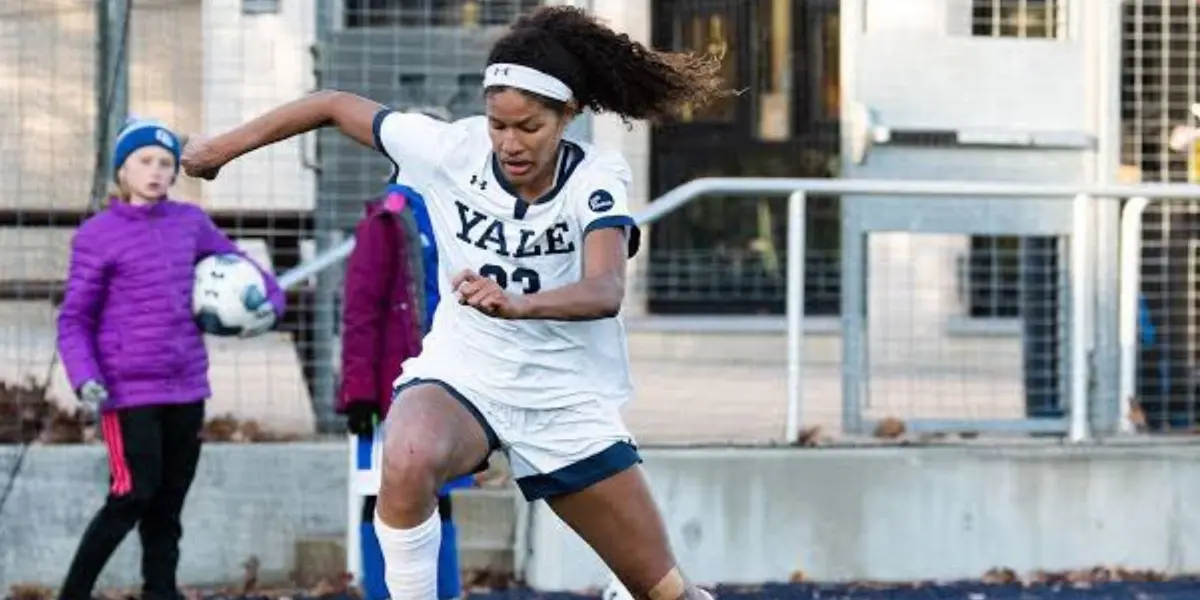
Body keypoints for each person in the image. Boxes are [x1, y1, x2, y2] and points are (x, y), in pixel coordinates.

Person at [181, 6, 724, 599]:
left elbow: (605, 290)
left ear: (567, 115)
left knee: (665, 592)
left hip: (564, 398)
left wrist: (520, 304)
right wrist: (222, 148)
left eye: (529, 127)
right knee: (408, 451)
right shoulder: (448, 150)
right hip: (465, 373)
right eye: (498, 124)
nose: (509, 143)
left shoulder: (597, 177)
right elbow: (332, 103)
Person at [55, 118, 286, 600]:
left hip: (185, 388)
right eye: (145, 161)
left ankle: (160, 591)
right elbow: (74, 319)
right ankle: (73, 593)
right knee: (130, 495)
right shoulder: (99, 235)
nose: (156, 171)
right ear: (123, 170)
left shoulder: (189, 223)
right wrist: (85, 378)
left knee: (167, 503)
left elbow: (242, 267)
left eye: (165, 163)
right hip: (127, 391)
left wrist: (270, 302)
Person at [339, 181, 474, 600]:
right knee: (381, 497)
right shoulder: (386, 221)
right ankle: (382, 592)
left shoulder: (458, 218)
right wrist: (359, 392)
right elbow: (359, 313)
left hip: (446, 389)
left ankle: (443, 592)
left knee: (441, 497)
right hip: (387, 398)